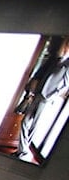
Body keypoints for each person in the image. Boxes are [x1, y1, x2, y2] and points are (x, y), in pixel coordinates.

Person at [17, 36, 69, 164]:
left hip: (47, 97)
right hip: (38, 94)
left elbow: (66, 84)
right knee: (25, 122)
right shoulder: (56, 60)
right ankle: (22, 151)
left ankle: (24, 153)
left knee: (34, 125)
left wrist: (53, 94)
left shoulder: (67, 64)